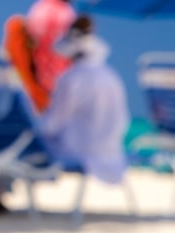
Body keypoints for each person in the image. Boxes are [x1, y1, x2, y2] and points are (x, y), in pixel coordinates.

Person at [38, 15, 130, 184]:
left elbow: (54, 122)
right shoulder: (112, 76)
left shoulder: (71, 79)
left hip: (80, 149)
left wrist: (34, 129)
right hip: (112, 151)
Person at [25, 0, 77, 95]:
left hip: (59, 69)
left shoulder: (64, 9)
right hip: (49, 68)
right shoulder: (47, 8)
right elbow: (35, 37)